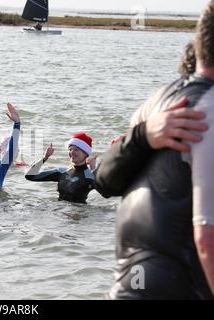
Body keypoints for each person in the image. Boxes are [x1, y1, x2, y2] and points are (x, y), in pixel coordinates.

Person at [95, 2, 214, 299]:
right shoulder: (205, 114)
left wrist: (142, 135)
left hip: (129, 285)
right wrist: (143, 136)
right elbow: (206, 238)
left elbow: (104, 181)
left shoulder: (160, 99)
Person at [25, 132, 99, 203]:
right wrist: (45, 158)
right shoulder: (61, 172)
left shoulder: (90, 176)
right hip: (60, 212)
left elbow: (106, 191)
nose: (72, 152)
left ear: (86, 154)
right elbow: (30, 176)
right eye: (70, 149)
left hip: (79, 213)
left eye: (76, 149)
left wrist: (94, 169)